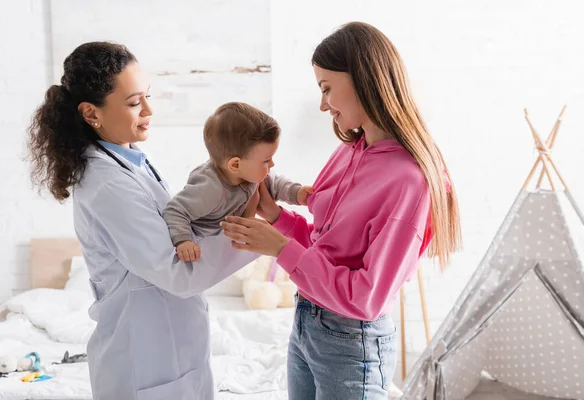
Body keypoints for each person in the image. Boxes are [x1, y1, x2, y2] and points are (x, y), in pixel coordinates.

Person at [221, 21, 462, 399]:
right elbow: (326, 248)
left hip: (352, 343)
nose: (322, 104)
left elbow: (365, 298)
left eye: (326, 88)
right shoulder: (349, 151)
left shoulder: (408, 181)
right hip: (307, 323)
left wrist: (280, 248)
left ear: (363, 79)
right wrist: (277, 218)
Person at [27, 41, 258, 400]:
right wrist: (259, 237)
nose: (149, 110)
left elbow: (176, 232)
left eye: (147, 96)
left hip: (172, 346)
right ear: (91, 114)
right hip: (143, 362)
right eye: (135, 102)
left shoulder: (132, 158)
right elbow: (176, 273)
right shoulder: (106, 184)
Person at [163, 102, 312, 262]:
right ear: (235, 165)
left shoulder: (250, 173)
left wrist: (297, 193)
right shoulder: (209, 189)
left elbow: (276, 184)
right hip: (205, 243)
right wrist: (183, 241)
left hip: (229, 239)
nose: (272, 164)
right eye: (267, 160)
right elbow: (175, 211)